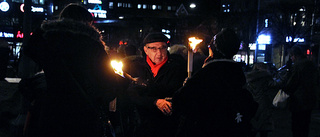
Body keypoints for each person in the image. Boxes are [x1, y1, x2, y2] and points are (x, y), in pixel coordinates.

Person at [23, 3, 126, 137]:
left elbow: (30, 54)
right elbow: (109, 88)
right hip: (82, 115)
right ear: (86, 23)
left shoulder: (45, 40)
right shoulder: (92, 45)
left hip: (49, 112)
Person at [172, 28, 258, 137]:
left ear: (214, 51)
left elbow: (180, 101)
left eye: (210, 46)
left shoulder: (206, 75)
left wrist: (188, 86)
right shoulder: (238, 76)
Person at [124, 32, 187, 137]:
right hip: (141, 123)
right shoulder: (135, 66)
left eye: (162, 48)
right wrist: (155, 101)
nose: (159, 53)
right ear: (146, 50)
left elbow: (175, 90)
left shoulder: (176, 68)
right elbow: (132, 94)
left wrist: (146, 88)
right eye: (154, 48)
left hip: (167, 125)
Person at [283, 46, 318, 137]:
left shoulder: (297, 66)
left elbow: (292, 83)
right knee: (305, 126)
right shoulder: (312, 65)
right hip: (310, 99)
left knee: (297, 126)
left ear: (294, 55)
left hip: (299, 101)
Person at [246, 62, 280, 137]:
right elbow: (273, 85)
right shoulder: (266, 77)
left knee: (253, 123)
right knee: (264, 126)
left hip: (252, 102)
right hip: (264, 102)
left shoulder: (249, 78)